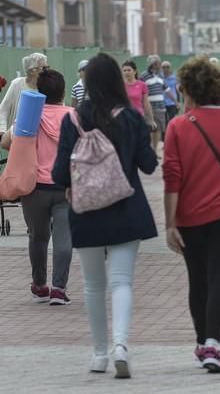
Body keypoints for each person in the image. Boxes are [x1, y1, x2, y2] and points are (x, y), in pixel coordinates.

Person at [52, 53, 158, 378]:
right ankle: (121, 346)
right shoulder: (130, 117)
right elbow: (149, 165)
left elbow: (59, 174)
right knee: (122, 281)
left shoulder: (73, 119)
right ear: (117, 80)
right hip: (127, 209)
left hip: (86, 213)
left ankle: (99, 355)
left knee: (93, 285)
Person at [163, 56, 220, 372]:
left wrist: (170, 222)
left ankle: (202, 342)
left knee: (197, 281)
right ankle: (213, 345)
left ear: (187, 89)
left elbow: (172, 178)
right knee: (219, 278)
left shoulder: (177, 126)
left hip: (190, 217)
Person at [1, 69, 72, 305]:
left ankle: (40, 284)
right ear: (63, 92)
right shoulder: (73, 116)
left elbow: (6, 142)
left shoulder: (29, 115)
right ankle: (59, 289)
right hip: (64, 188)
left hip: (34, 188)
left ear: (39, 91)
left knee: (38, 237)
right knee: (64, 238)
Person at [0, 52, 47, 134]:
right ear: (32, 70)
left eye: (47, 68)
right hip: (15, 136)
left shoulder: (47, 87)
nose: (46, 71)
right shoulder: (17, 84)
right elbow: (3, 109)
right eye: (44, 68)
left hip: (39, 137)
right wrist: (2, 129)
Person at [143, 55, 174, 153]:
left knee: (159, 129)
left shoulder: (161, 76)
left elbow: (167, 89)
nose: (159, 65)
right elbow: (140, 90)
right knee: (150, 129)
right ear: (152, 64)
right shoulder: (144, 75)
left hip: (161, 106)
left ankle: (155, 151)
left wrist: (175, 101)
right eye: (158, 63)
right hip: (149, 107)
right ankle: (149, 150)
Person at [122, 60, 156, 135]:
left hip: (139, 117)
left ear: (135, 71)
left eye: (129, 70)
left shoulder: (142, 85)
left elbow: (146, 103)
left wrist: (151, 120)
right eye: (124, 70)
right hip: (125, 118)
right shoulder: (121, 86)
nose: (126, 72)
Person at [162, 61, 179, 126]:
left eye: (167, 67)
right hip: (162, 103)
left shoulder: (175, 78)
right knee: (164, 122)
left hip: (172, 103)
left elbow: (177, 90)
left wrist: (178, 102)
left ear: (170, 68)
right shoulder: (159, 77)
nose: (166, 69)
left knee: (171, 121)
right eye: (163, 67)